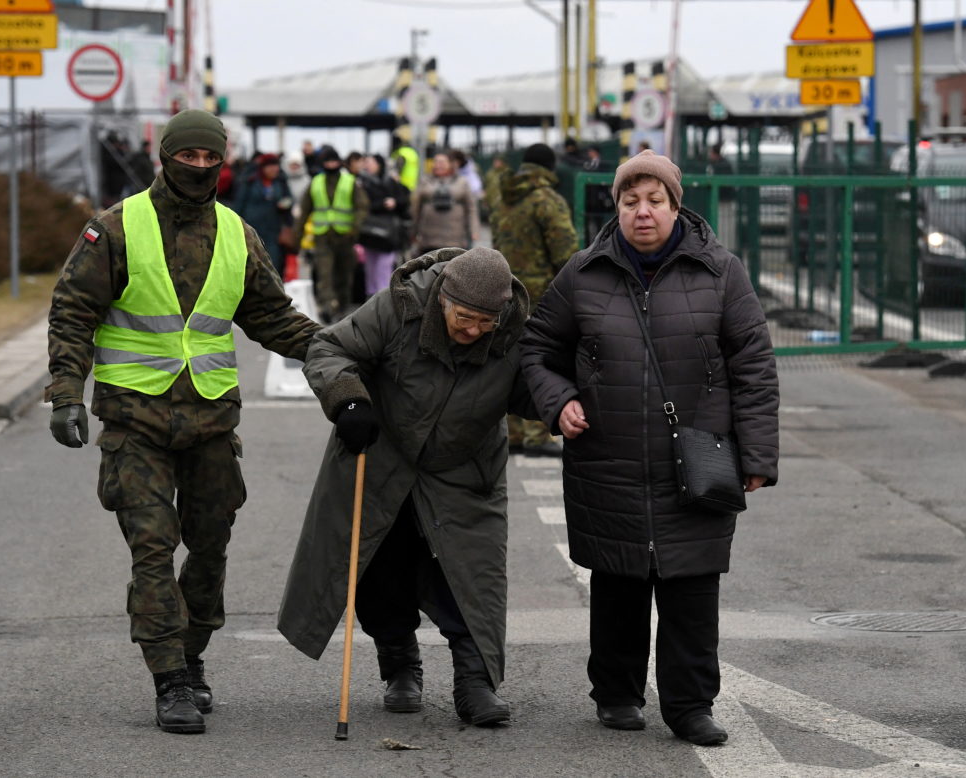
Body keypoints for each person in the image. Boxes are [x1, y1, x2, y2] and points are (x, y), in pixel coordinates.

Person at [45, 109, 321, 735]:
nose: (198, 168)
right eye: (187, 156)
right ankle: (168, 677)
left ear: (222, 162)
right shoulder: (117, 228)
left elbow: (274, 318)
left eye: (209, 158)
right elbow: (72, 311)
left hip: (210, 422)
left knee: (211, 549)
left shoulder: (237, 234)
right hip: (134, 420)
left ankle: (193, 657)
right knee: (152, 548)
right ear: (164, 157)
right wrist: (65, 391)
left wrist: (342, 348)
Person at [518, 150, 778, 746]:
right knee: (617, 583)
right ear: (617, 208)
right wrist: (559, 401)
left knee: (692, 588)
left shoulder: (721, 272)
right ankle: (616, 694)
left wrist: (758, 455)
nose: (643, 213)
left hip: (699, 461)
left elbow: (754, 366)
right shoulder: (583, 272)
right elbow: (537, 347)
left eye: (654, 201)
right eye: (630, 201)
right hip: (609, 458)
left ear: (675, 205)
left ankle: (690, 707)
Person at [277, 247, 538, 727]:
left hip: (466, 468)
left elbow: (533, 384)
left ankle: (475, 682)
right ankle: (400, 664)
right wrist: (348, 401)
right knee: (379, 567)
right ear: (444, 299)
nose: (474, 330)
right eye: (465, 318)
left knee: (474, 574)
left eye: (486, 322)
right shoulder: (401, 305)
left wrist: (559, 399)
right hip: (384, 456)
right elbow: (329, 348)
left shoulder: (513, 329)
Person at [491, 143, 577, 458]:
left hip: (507, 290)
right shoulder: (547, 200)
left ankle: (513, 432)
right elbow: (565, 251)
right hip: (543, 294)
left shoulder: (503, 198)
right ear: (549, 169)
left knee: (510, 356)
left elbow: (496, 243)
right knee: (543, 360)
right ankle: (538, 433)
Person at [296, 146, 370, 322]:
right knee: (324, 274)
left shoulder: (349, 181)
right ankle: (328, 307)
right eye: (328, 161)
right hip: (322, 236)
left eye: (334, 161)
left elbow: (362, 206)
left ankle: (343, 307)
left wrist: (355, 228)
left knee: (344, 274)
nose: (331, 164)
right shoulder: (316, 182)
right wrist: (296, 236)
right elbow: (304, 210)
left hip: (346, 236)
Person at [357, 153, 410, 297]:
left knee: (384, 266)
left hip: (388, 233)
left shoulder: (390, 181)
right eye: (366, 162)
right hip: (369, 232)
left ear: (379, 164)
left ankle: (383, 297)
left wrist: (395, 202)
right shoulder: (361, 183)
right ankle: (372, 297)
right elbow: (362, 205)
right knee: (370, 267)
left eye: (370, 162)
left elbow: (404, 200)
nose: (367, 165)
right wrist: (381, 204)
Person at [234, 153, 293, 271]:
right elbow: (239, 204)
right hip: (251, 230)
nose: (274, 169)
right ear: (263, 168)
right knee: (252, 264)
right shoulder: (250, 182)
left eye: (276, 166)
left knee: (273, 265)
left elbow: (289, 200)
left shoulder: (280, 183)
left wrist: (285, 206)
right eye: (270, 166)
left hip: (274, 231)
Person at [410, 151, 478, 253]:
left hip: (454, 240)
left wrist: (474, 230)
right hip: (428, 239)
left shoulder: (462, 182)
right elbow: (416, 208)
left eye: (442, 162)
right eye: (436, 162)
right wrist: (413, 231)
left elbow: (471, 208)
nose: (438, 165)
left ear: (451, 164)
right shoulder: (425, 181)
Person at [707, 143, 738, 254]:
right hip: (724, 201)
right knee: (724, 229)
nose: (709, 155)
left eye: (711, 152)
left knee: (724, 229)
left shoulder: (721, 165)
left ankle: (723, 251)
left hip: (724, 202)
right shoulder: (723, 164)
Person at [483, 154, 511, 224]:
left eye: (498, 161)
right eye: (495, 161)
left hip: (503, 203)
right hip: (492, 203)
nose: (495, 163)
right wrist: (485, 199)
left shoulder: (507, 172)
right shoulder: (490, 174)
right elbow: (486, 187)